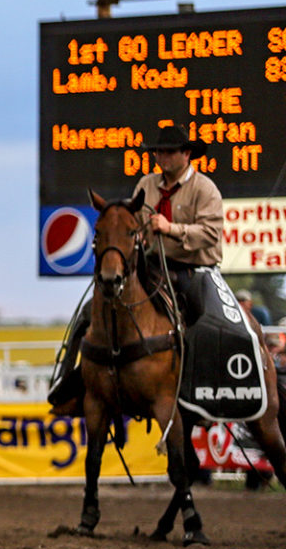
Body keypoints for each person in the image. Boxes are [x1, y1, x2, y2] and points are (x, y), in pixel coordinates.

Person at [46, 124, 224, 416]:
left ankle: (200, 387)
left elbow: (210, 234)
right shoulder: (146, 185)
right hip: (149, 265)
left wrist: (172, 228)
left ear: (187, 153)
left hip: (192, 268)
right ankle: (71, 381)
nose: (162, 157)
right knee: (92, 310)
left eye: (169, 152)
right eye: (158, 152)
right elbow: (133, 225)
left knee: (204, 317)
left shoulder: (205, 189)